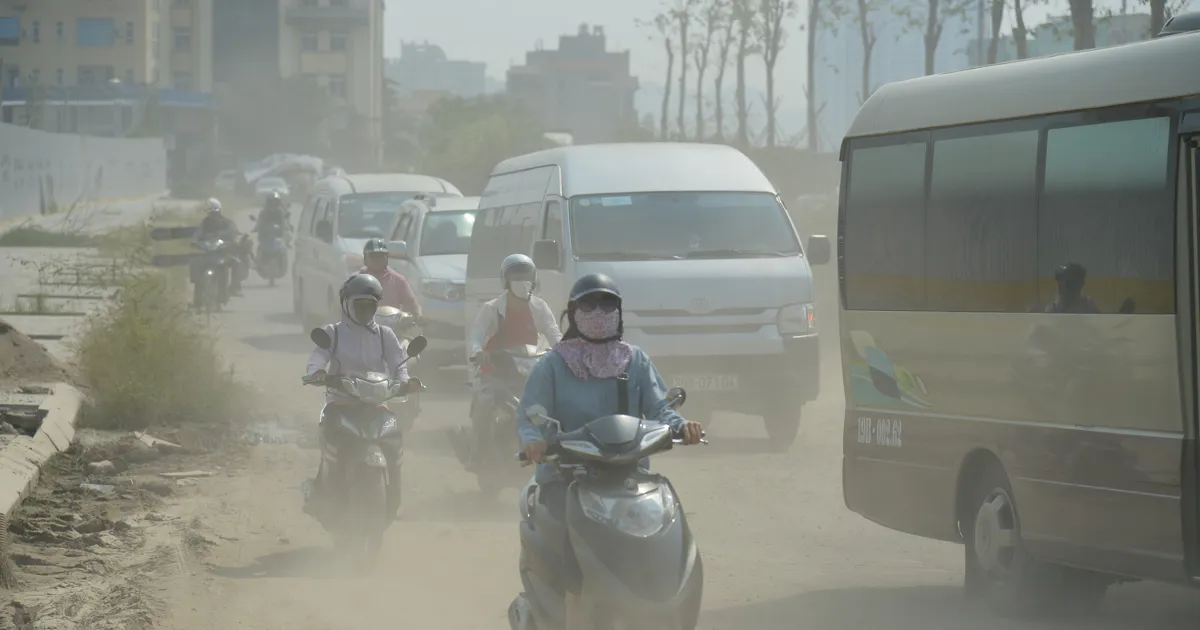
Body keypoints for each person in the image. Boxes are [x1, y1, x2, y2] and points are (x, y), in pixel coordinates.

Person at [512, 273, 704, 627]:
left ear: (619, 312)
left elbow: (661, 408)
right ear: (573, 313)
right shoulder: (552, 365)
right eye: (588, 304)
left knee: (666, 527)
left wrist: (681, 426)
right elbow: (529, 417)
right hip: (566, 478)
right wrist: (533, 441)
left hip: (630, 478)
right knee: (564, 545)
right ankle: (564, 615)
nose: (598, 312)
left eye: (607, 304)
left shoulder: (635, 361)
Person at [303, 273, 412, 519]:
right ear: (346, 305)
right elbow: (318, 356)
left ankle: (394, 497)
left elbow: (398, 363)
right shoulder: (333, 333)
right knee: (331, 445)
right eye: (359, 304)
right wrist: (317, 373)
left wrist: (405, 381)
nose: (364, 310)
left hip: (377, 403)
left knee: (394, 442)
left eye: (369, 305)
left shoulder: (385, 334)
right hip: (341, 403)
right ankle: (322, 493)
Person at [465, 254, 562, 465]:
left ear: (533, 279)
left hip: (530, 371)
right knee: (485, 401)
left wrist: (566, 353)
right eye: (515, 275)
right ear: (506, 280)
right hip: (495, 371)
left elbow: (554, 334)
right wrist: (477, 352)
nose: (521, 280)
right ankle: (477, 452)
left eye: (525, 275)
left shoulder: (540, 307)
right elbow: (476, 336)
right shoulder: (491, 308)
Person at [359, 238, 423, 319]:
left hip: (391, 328)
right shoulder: (355, 281)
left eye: (381, 256)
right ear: (365, 258)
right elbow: (344, 307)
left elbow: (412, 304)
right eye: (373, 256)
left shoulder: (398, 280)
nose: (377, 260)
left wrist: (417, 317)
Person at [194, 197, 245, 297]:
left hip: (224, 254)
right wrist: (194, 241)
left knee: (236, 262)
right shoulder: (204, 223)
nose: (213, 215)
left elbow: (234, 233)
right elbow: (197, 234)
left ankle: (235, 288)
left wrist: (234, 241)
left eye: (215, 213)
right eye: (210, 213)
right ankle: (197, 300)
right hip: (208, 254)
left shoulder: (227, 223)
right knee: (196, 266)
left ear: (219, 212)